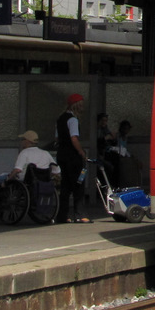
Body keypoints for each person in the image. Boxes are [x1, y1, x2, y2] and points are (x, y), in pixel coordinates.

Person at [0, 130, 59, 196]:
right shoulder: (45, 153)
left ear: (27, 141)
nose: (21, 142)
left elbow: (17, 170)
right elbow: (57, 170)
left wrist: (7, 180)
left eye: (23, 139)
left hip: (24, 180)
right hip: (42, 181)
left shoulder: (25, 153)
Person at [56, 93, 91, 223]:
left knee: (65, 186)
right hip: (72, 157)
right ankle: (80, 214)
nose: (82, 107)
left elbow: (57, 138)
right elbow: (74, 138)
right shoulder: (73, 120)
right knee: (78, 184)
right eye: (81, 105)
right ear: (76, 105)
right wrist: (81, 152)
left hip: (62, 155)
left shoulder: (60, 119)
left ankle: (62, 215)